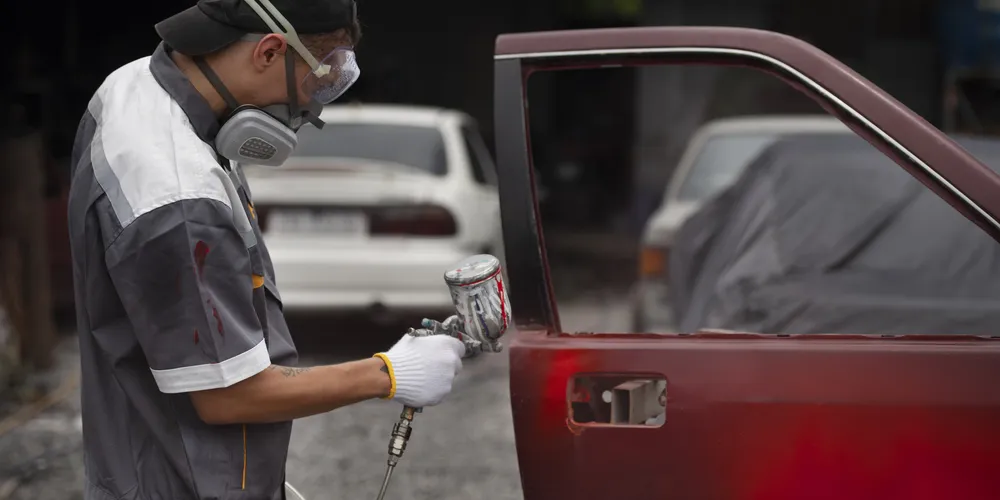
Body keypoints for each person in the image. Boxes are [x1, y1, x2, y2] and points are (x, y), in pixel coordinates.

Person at [66, 1, 467, 499]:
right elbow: (227, 396)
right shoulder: (179, 198)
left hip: (150, 463)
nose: (311, 109)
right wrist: (386, 374)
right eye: (316, 83)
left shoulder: (134, 87)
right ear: (270, 50)